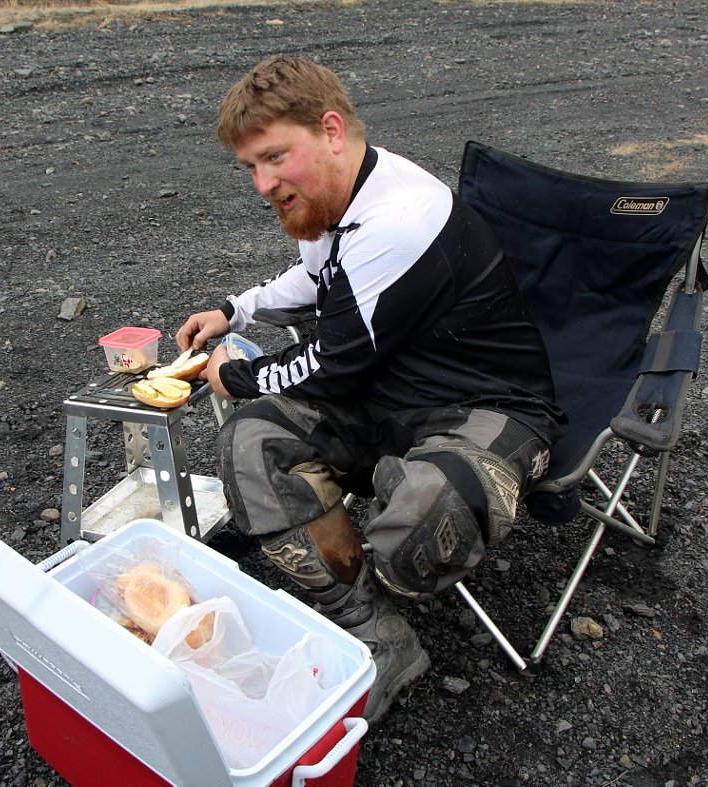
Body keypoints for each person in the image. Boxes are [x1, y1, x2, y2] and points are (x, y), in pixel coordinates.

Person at [176, 54, 567, 724]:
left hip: (492, 404)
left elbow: (332, 364)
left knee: (419, 526)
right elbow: (322, 279)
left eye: (274, 158)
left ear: (331, 129)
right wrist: (234, 311)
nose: (263, 185)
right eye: (250, 168)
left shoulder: (399, 217)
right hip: (391, 394)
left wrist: (234, 373)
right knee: (251, 441)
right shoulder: (336, 193)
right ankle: (374, 635)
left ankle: (398, 509)